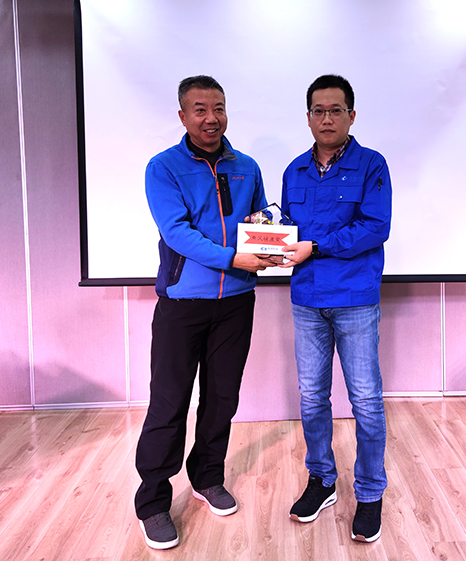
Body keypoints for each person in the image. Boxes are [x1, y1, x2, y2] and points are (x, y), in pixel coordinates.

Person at [134, 75, 278, 550]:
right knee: (169, 402)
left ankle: (208, 476)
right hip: (182, 304)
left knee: (222, 398)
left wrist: (268, 233)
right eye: (200, 109)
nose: (211, 118)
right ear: (182, 116)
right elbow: (177, 233)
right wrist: (234, 258)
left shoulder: (246, 166)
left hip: (236, 303)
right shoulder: (164, 167)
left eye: (218, 108)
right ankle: (153, 501)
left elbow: (259, 217)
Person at [280, 74, 392, 543]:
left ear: (351, 115)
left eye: (336, 110)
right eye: (318, 111)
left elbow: (375, 227)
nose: (327, 118)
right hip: (307, 299)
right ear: (308, 118)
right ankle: (322, 480)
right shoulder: (294, 171)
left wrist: (316, 246)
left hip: (354, 299)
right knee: (311, 397)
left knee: (364, 399)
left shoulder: (371, 164)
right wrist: (267, 237)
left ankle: (369, 492)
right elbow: (287, 229)